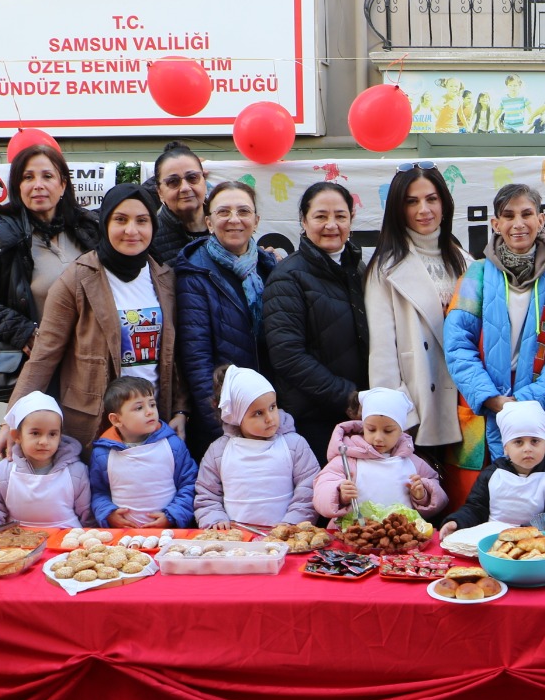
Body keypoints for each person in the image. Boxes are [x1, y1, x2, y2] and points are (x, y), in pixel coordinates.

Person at [0, 183, 187, 454]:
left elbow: (177, 355)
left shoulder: (165, 279)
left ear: (153, 227)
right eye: (120, 220)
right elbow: (44, 356)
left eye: (142, 220)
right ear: (105, 223)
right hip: (95, 426)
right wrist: (10, 422)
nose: (132, 230)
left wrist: (181, 409)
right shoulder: (77, 279)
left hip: (153, 423)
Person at [444, 184, 545, 479]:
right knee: (487, 508)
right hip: (485, 413)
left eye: (527, 214)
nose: (518, 224)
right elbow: (457, 345)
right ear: (496, 224)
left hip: (544, 411)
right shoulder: (476, 275)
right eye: (508, 216)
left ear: (541, 220)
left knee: (544, 510)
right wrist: (491, 399)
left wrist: (528, 400)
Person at [363, 163, 471, 479]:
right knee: (422, 502)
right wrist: (397, 416)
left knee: (465, 500)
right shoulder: (385, 268)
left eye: (431, 199)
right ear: (398, 208)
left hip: (465, 403)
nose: (423, 210)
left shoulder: (464, 259)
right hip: (418, 407)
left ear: (444, 203)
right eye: (411, 201)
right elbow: (382, 352)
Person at [0, 143, 100, 356]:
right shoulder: (1, 236)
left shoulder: (89, 228)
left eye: (47, 176)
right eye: (28, 177)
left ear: (63, 185)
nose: (38, 185)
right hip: (37, 363)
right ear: (17, 187)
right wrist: (21, 331)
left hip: (91, 359)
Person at [262, 182, 371, 463]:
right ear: (303, 220)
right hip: (314, 420)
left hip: (361, 415)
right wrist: (346, 395)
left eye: (340, 216)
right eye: (321, 216)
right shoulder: (288, 276)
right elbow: (287, 355)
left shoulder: (359, 269)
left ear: (351, 219)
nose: (331, 225)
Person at [174, 181, 280, 458]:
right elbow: (197, 363)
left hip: (271, 418)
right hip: (226, 426)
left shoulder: (272, 270)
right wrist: (225, 429)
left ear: (256, 221)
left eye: (243, 211)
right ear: (209, 222)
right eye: (224, 212)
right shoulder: (194, 274)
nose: (234, 219)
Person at [194, 365, 321, 530]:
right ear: (237, 417)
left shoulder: (295, 445)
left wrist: (292, 523)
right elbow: (207, 496)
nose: (270, 418)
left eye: (272, 407)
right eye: (258, 413)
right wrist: (215, 519)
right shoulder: (218, 451)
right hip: (238, 544)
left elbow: (309, 489)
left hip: (287, 540)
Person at [0, 392, 92, 532]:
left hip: (66, 541)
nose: (44, 441)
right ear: (17, 436)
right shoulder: (3, 473)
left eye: (52, 434)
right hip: (15, 543)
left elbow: (88, 515)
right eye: (35, 433)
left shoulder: (76, 472)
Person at [313, 387, 447, 524]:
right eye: (371, 429)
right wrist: (339, 494)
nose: (378, 438)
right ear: (363, 426)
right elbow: (320, 491)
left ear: (401, 430)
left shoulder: (413, 462)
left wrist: (422, 495)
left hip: (400, 538)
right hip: (351, 536)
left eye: (388, 431)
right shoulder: (347, 459)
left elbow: (439, 497)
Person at [439, 400, 545, 533]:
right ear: (505, 448)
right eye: (518, 442)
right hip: (492, 543)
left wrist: (524, 535)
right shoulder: (491, 475)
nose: (527, 448)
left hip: (537, 546)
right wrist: (457, 522)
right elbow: (476, 508)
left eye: (535, 441)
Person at [89, 377, 197, 529]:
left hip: (169, 535)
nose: (149, 412)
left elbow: (189, 484)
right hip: (122, 539)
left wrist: (172, 515)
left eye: (152, 404)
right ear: (116, 420)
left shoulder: (172, 445)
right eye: (139, 408)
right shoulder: (103, 454)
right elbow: (98, 492)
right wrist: (108, 514)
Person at [147, 141, 209, 266]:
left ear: (204, 181)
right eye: (173, 182)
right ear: (160, 192)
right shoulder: (148, 238)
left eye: (192, 178)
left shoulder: (227, 225)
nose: (185, 188)